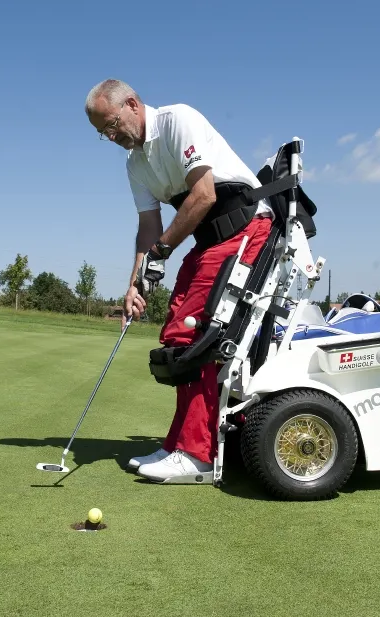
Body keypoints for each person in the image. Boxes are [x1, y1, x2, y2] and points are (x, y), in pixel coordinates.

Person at [84, 79, 274, 482]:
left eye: (112, 124)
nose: (111, 135)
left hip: (247, 230)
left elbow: (203, 195)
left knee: (196, 334)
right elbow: (149, 227)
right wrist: (134, 284)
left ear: (132, 104)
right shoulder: (135, 164)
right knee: (175, 332)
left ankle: (198, 455)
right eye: (103, 132)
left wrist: (162, 252)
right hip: (209, 241)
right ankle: (179, 443)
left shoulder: (178, 120)